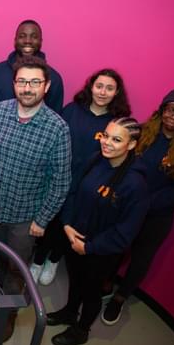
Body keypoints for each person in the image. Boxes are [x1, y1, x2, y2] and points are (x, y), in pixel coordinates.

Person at [0, 56, 71, 341]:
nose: (27, 88)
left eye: (35, 82)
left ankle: (9, 314)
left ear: (46, 87)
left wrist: (42, 220)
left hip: (26, 218)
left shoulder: (57, 128)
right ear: (14, 84)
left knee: (17, 268)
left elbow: (61, 181)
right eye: (22, 81)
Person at [101, 87, 174, 326]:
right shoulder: (142, 131)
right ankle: (106, 282)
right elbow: (122, 161)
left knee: (141, 259)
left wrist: (147, 203)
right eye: (170, 109)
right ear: (162, 109)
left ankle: (119, 298)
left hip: (157, 216)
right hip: (125, 206)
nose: (173, 117)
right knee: (116, 246)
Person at [47, 117, 148, 345]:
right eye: (105, 135)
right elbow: (73, 192)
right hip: (74, 239)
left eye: (116, 139)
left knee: (91, 291)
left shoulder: (135, 184)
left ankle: (81, 330)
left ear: (131, 145)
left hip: (100, 252)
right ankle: (70, 312)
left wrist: (89, 247)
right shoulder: (94, 160)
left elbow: (125, 233)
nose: (107, 142)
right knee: (75, 281)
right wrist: (67, 225)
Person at [30, 69, 131, 286]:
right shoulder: (71, 110)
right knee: (49, 221)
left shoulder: (116, 122)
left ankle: (54, 260)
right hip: (57, 177)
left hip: (87, 185)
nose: (103, 92)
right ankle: (37, 261)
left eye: (109, 88)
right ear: (91, 87)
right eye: (99, 86)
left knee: (69, 225)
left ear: (117, 93)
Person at [0, 19, 64, 113]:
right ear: (15, 40)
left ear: (41, 41)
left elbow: (53, 120)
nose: (28, 41)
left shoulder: (53, 78)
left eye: (34, 37)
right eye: (22, 36)